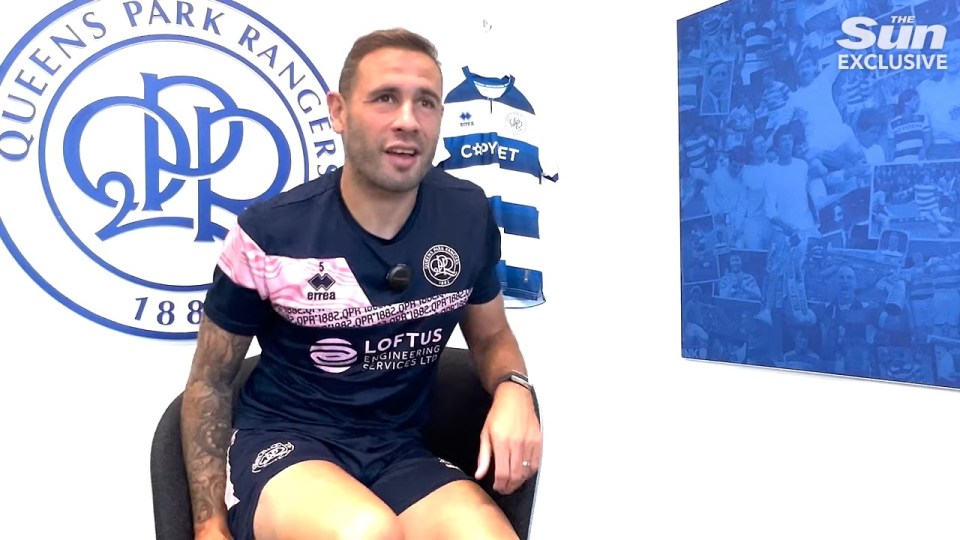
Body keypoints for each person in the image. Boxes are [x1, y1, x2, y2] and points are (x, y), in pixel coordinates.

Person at [179, 28, 542, 540]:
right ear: (339, 112)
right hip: (284, 445)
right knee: (366, 533)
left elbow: (491, 337)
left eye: (426, 103)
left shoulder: (467, 214)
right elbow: (209, 382)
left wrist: (514, 389)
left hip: (396, 450)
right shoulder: (269, 232)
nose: (407, 121)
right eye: (385, 98)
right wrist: (209, 526)